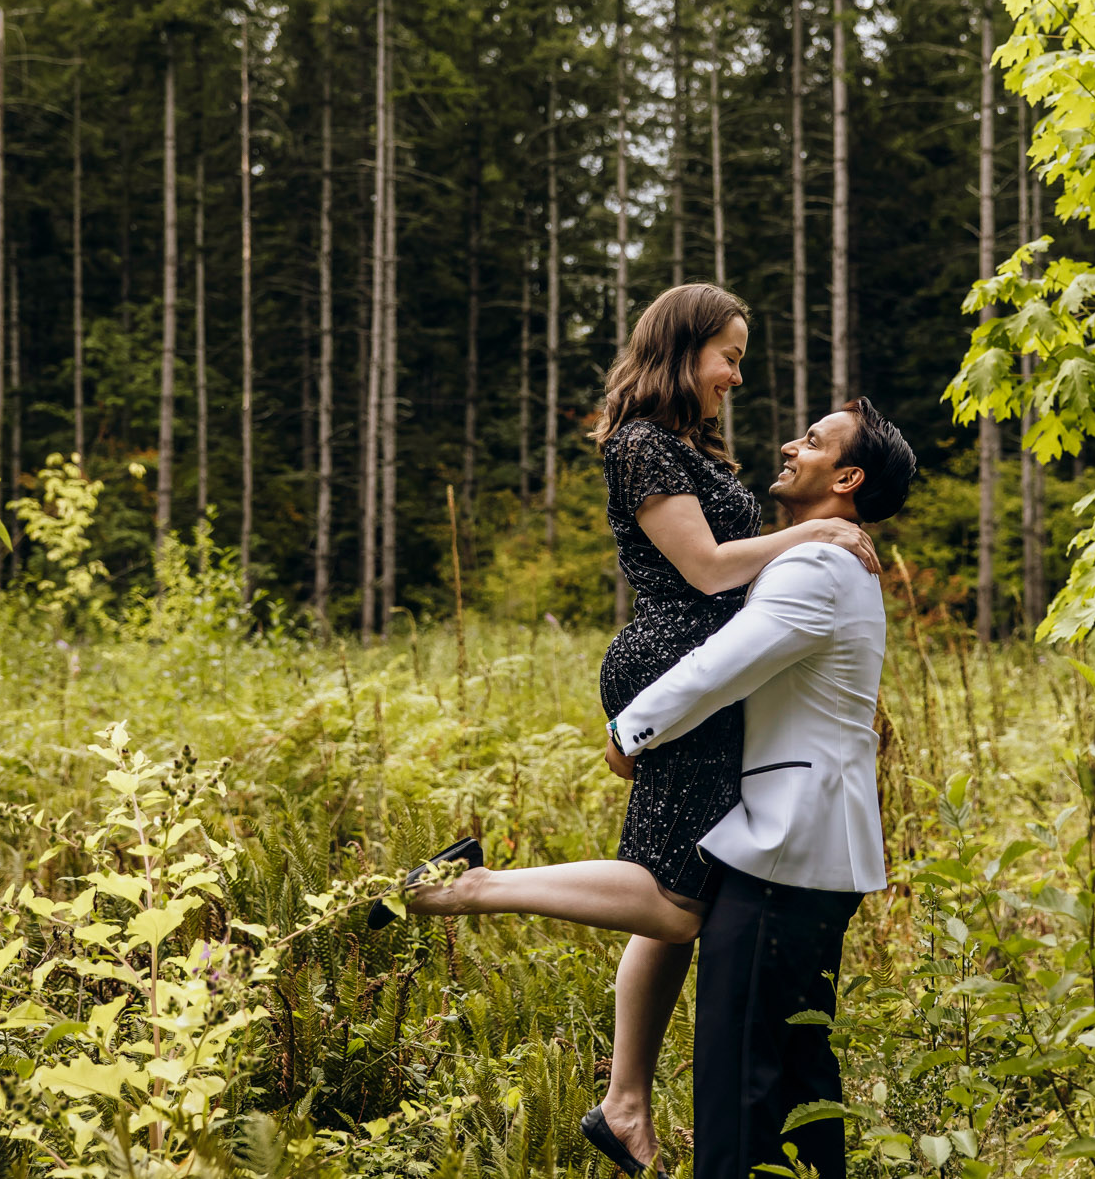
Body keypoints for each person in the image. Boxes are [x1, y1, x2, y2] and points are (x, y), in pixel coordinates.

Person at [376, 283, 879, 1175]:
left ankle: (625, 1101)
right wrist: (821, 535)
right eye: (728, 353)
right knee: (676, 900)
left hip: (696, 669)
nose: (735, 374)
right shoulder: (644, 445)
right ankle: (472, 888)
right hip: (675, 664)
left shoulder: (686, 444)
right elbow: (708, 565)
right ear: (683, 349)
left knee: (679, 885)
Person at [607, 397, 916, 1179]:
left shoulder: (816, 566)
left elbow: (724, 666)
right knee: (799, 1079)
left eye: (812, 441)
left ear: (846, 477)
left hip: (784, 851)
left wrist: (628, 732)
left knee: (739, 1088)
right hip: (810, 853)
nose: (789, 444)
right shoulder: (826, 556)